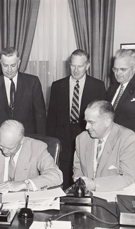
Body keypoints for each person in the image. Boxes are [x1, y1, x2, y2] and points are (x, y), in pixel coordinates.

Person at [46, 49, 106, 189]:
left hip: (87, 135)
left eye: (80, 66)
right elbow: (51, 118)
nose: (76, 70)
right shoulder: (57, 86)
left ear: (88, 65)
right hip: (63, 137)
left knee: (85, 177)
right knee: (66, 178)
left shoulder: (98, 86)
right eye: (73, 65)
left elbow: (102, 118)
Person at [0, 120, 63, 192]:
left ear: (22, 140)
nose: (4, 151)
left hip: (24, 204)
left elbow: (56, 176)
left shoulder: (37, 148)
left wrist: (24, 184)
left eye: (10, 148)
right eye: (1, 145)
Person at [73, 100, 135, 192]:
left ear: (107, 121)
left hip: (114, 200)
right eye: (86, 122)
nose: (86, 127)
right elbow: (77, 169)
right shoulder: (82, 139)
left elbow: (130, 178)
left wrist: (94, 185)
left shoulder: (128, 139)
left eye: (91, 122)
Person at [0, 47, 46, 136]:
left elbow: (40, 116)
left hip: (28, 138)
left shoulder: (32, 82)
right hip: (2, 139)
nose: (9, 70)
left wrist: (41, 140)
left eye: (13, 65)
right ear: (0, 63)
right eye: (5, 65)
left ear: (19, 63)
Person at [107, 49, 135, 135]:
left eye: (123, 69)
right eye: (115, 69)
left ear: (134, 68)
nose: (118, 73)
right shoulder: (112, 88)